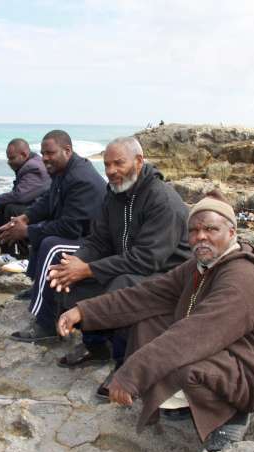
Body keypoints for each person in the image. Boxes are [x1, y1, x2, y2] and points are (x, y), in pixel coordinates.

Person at [56, 191, 254, 452]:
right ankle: (185, 403)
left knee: (181, 365)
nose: (200, 237)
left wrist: (131, 374)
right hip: (216, 348)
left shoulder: (241, 278)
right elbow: (146, 295)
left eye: (210, 229)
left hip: (246, 371)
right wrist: (83, 311)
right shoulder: (200, 265)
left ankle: (231, 415)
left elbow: (192, 336)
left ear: (231, 233)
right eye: (194, 231)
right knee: (146, 323)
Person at [44, 136, 190, 394]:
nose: (111, 171)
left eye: (118, 164)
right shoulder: (114, 194)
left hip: (169, 274)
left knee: (120, 286)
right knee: (71, 279)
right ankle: (97, 345)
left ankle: (125, 365)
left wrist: (88, 268)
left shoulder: (162, 200)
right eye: (107, 165)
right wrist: (76, 262)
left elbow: (148, 258)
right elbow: (98, 240)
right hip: (131, 264)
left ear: (139, 161)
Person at [0, 130, 106, 339]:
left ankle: (45, 323)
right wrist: (26, 219)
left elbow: (70, 228)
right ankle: (37, 287)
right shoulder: (63, 171)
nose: (45, 158)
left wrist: (27, 231)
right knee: (41, 232)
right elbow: (48, 200)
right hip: (80, 233)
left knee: (51, 244)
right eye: (42, 153)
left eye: (50, 153)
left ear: (67, 151)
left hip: (95, 242)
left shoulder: (79, 178)